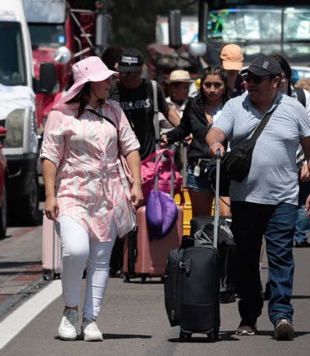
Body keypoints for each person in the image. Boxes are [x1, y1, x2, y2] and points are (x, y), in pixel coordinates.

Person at [206, 54, 310, 341]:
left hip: (283, 198)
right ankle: (249, 314)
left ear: (276, 81)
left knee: (281, 255)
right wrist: (216, 144)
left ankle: (282, 314)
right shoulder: (236, 106)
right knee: (243, 260)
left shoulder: (294, 109)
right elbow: (215, 132)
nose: (250, 83)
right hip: (245, 198)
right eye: (248, 78)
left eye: (257, 79)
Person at [41, 57, 143, 341]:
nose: (111, 82)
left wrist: (136, 183)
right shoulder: (60, 114)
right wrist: (49, 195)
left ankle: (90, 319)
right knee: (76, 250)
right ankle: (70, 311)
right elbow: (49, 156)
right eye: (105, 79)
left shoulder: (115, 110)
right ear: (88, 84)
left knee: (101, 260)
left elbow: (131, 147)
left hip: (109, 195)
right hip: (71, 192)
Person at [161, 66, 230, 217]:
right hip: (198, 170)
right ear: (201, 86)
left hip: (226, 169)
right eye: (208, 85)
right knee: (200, 221)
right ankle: (200, 242)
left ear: (225, 86)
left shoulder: (233, 105)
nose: (212, 90)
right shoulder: (193, 105)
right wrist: (168, 137)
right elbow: (184, 128)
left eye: (217, 85)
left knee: (227, 217)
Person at [271, 54, 310, 248]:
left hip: (299, 163)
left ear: (289, 76)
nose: (277, 83)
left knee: (302, 200)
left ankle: (298, 236)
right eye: (272, 77)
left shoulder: (302, 97)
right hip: (270, 169)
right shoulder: (257, 97)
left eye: (281, 78)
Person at [109, 48, 181, 161]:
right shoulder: (109, 90)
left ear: (142, 70)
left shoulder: (152, 88)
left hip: (149, 158)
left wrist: (184, 131)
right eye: (125, 72)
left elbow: (168, 111)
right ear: (118, 69)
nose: (130, 76)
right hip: (118, 159)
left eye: (135, 72)